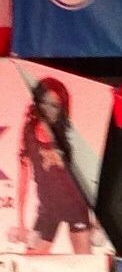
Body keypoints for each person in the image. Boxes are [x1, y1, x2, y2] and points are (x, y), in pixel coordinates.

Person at [14, 77, 92, 255]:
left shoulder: (69, 135)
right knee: (31, 262)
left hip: (76, 206)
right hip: (48, 208)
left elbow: (85, 179)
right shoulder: (29, 134)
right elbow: (23, 179)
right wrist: (20, 222)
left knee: (84, 264)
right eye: (44, 103)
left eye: (55, 105)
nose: (48, 110)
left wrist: (95, 219)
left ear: (62, 108)